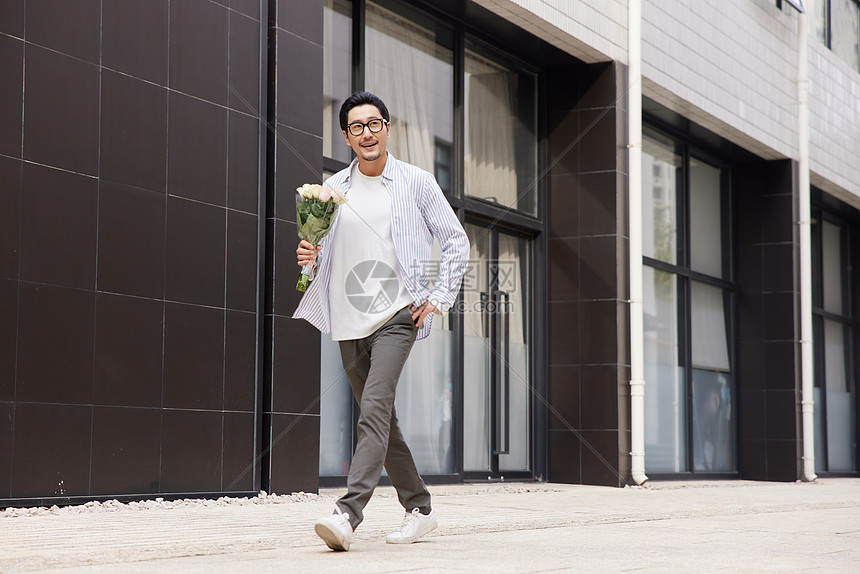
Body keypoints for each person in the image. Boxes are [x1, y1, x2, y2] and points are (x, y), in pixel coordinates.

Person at [293, 91, 469, 551]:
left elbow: (455, 241)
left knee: (373, 407)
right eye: (356, 127)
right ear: (347, 137)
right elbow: (322, 260)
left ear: (387, 129)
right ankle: (420, 508)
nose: (366, 133)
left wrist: (437, 297)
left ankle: (347, 514)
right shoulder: (333, 191)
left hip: (397, 314)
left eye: (374, 124)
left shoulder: (416, 182)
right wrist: (308, 259)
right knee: (382, 420)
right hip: (349, 320)